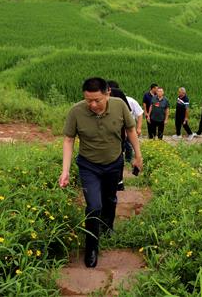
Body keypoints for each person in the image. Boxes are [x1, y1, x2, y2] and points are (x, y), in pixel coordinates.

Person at [59, 77, 142, 268]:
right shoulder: (76, 111)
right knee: (94, 206)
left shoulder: (119, 105)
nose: (93, 104)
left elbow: (130, 130)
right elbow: (69, 140)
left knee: (110, 199)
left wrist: (138, 156)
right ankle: (91, 247)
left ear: (108, 94)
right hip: (89, 166)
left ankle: (107, 226)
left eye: (97, 100)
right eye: (89, 100)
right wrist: (65, 171)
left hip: (114, 163)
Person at [125, 96, 144, 162]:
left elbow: (140, 113)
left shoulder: (131, 101)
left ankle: (128, 160)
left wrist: (138, 128)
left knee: (129, 144)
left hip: (128, 126)